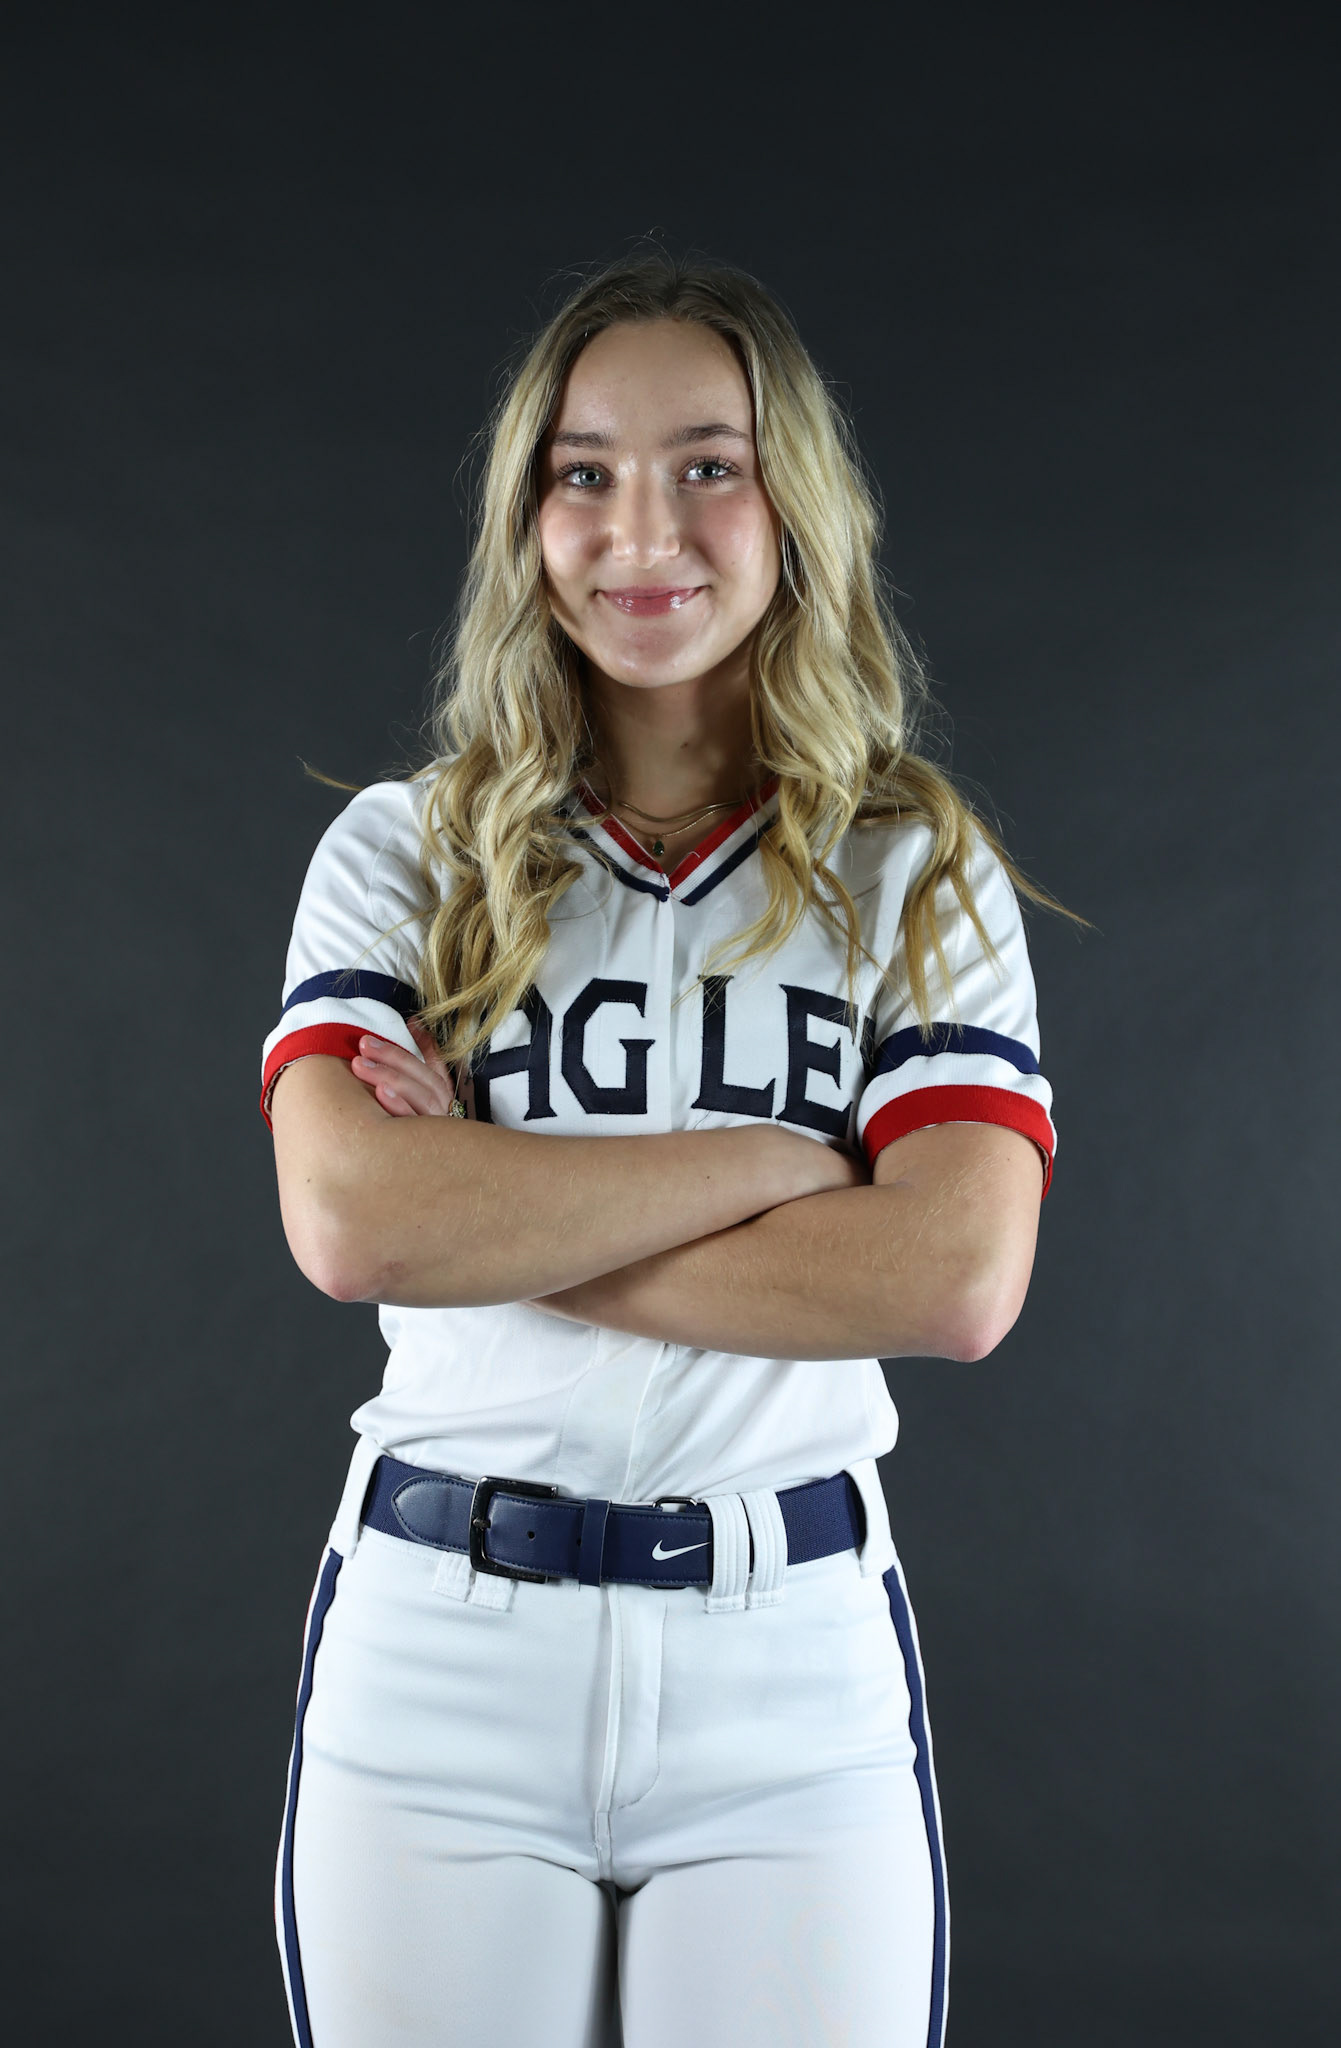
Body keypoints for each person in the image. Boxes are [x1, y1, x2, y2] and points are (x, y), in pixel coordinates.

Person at [261, 248, 1063, 2048]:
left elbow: (948, 1274)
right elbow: (351, 1219)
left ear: (796, 504)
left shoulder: (911, 869)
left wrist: (498, 1209)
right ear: (524, 518)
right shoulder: (403, 853)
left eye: (708, 461)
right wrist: (791, 1157)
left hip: (786, 1672)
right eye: (583, 470)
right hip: (440, 1651)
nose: (645, 527)